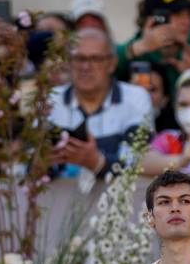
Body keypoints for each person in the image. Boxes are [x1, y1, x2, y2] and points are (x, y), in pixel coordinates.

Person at [48, 27, 152, 179]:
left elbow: (137, 163)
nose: (86, 67)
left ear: (112, 63)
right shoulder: (51, 99)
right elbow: (29, 167)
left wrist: (96, 162)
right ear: (68, 62)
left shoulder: (136, 97)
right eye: (79, 58)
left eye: (95, 59)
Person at [129, 60, 175, 132]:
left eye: (152, 90)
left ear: (165, 99)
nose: (144, 95)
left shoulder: (173, 135)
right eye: (139, 89)